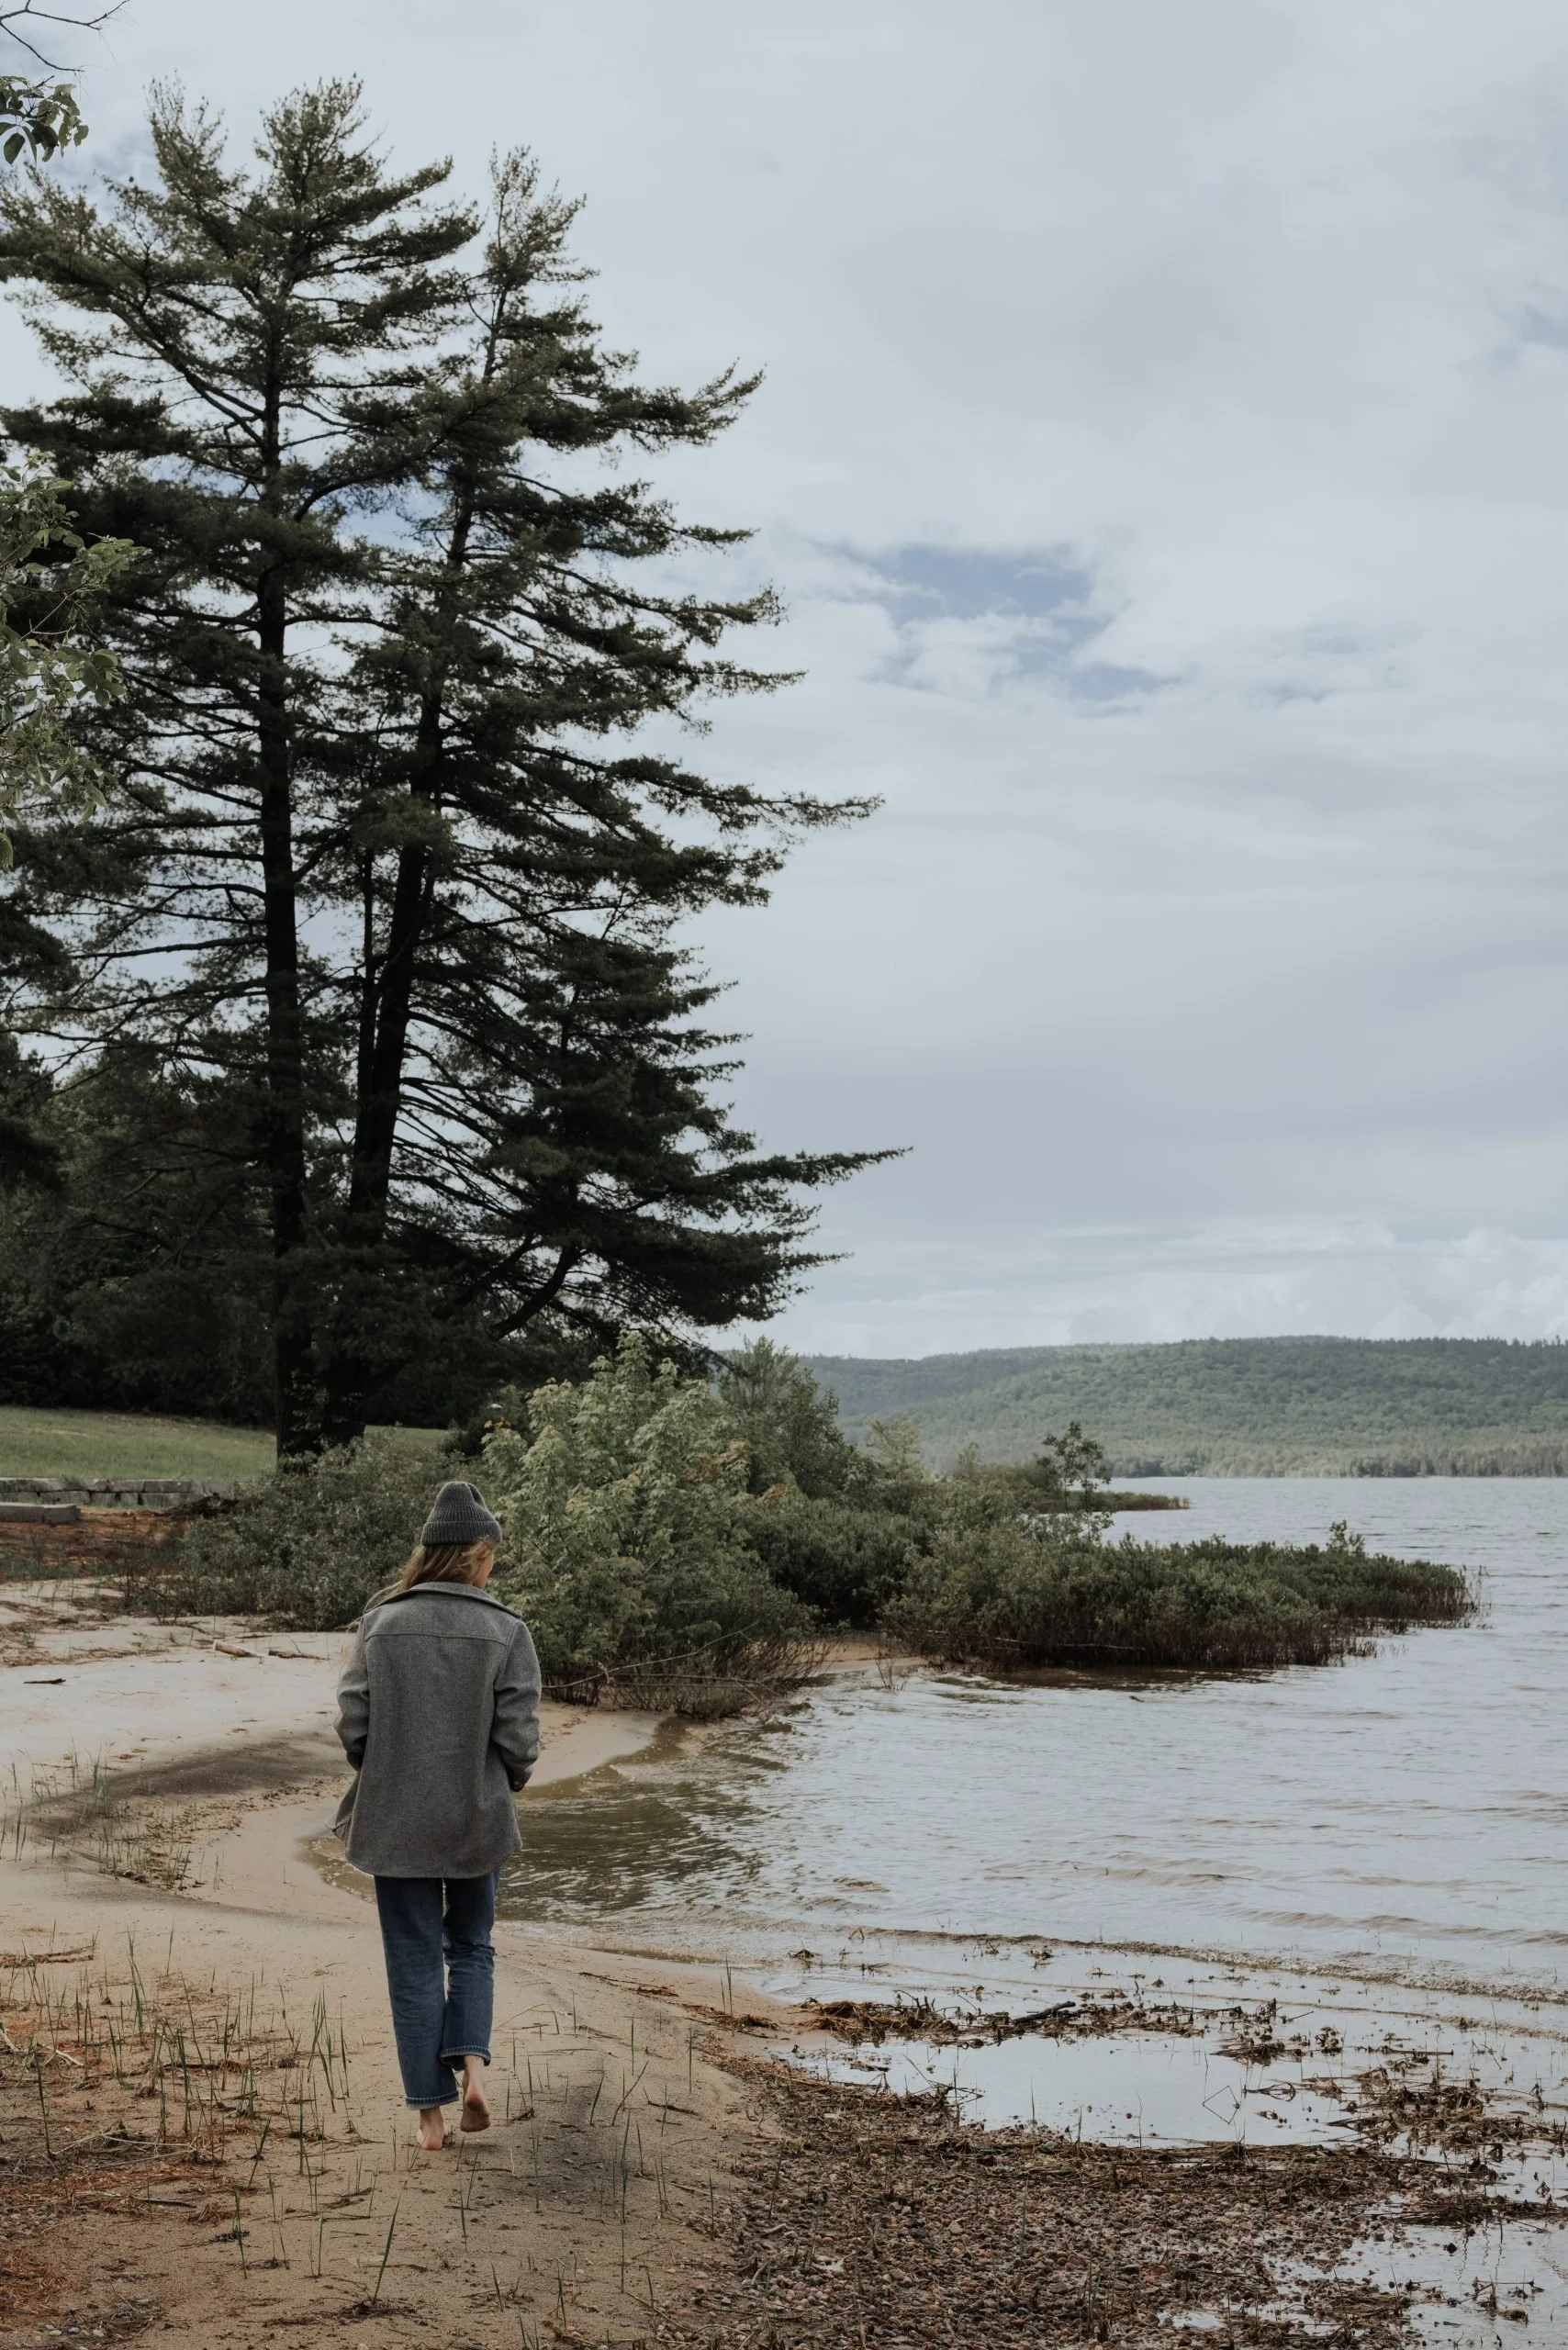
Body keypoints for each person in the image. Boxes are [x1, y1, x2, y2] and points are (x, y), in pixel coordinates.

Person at [333, 1479, 541, 2151]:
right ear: (476, 1555)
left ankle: (429, 2118)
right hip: (476, 1819)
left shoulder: (381, 1624)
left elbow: (354, 1726)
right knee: (472, 1946)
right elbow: (518, 1739)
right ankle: (473, 2070)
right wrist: (505, 1782)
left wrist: (388, 1771)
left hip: (394, 1820)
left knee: (413, 1960)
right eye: (491, 1556)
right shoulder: (507, 1629)